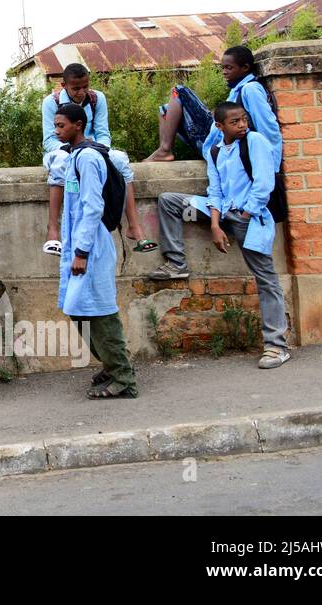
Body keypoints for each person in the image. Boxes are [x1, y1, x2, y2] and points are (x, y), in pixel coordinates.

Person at [149, 100, 290, 368]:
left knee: (266, 278)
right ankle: (176, 262)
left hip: (250, 216)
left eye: (244, 120)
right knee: (169, 200)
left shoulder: (255, 141)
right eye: (235, 122)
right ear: (219, 125)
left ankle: (276, 346)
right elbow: (215, 191)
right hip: (221, 212)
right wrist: (214, 225)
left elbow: (264, 183)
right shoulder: (214, 151)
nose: (242, 125)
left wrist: (246, 214)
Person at [54, 102, 138, 399]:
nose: (56, 130)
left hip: (92, 247)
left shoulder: (88, 158)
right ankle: (113, 363)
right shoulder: (75, 156)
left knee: (101, 312)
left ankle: (124, 378)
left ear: (78, 125)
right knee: (78, 309)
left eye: (61, 125)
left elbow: (92, 208)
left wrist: (82, 252)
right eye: (55, 125)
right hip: (81, 246)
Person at [40, 63, 156, 256]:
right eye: (76, 88)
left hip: (92, 148)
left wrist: (94, 148)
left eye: (85, 86)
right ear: (64, 85)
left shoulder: (97, 99)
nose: (81, 92)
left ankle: (134, 226)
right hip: (63, 149)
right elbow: (49, 140)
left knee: (120, 160)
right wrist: (73, 149)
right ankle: (52, 229)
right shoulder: (51, 102)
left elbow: (103, 133)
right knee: (61, 163)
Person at [145, 45, 283, 170]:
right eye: (223, 68)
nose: (224, 72)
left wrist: (273, 167)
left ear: (245, 68)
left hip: (227, 149)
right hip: (214, 144)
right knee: (166, 109)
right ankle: (163, 151)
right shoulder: (237, 90)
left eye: (229, 68)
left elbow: (268, 127)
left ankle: (165, 149)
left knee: (179, 91)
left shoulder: (251, 89)